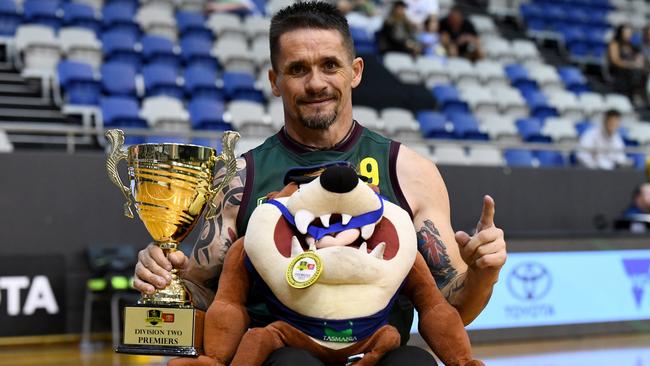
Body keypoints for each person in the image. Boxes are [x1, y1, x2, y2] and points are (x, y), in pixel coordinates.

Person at [134, 2, 507, 364]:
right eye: (297, 69)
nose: (316, 83)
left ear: (355, 71)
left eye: (330, 65)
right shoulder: (240, 178)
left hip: (379, 349)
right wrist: (165, 277)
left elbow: (452, 307)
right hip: (279, 349)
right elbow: (203, 291)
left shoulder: (409, 172)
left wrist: (482, 275)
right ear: (274, 80)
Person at [607, 24, 647, 107]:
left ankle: (639, 95)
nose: (628, 34)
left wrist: (639, 61)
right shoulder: (614, 44)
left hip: (631, 72)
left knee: (642, 72)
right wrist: (630, 65)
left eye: (629, 32)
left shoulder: (632, 46)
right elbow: (615, 61)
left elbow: (638, 58)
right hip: (618, 72)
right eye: (626, 32)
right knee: (636, 72)